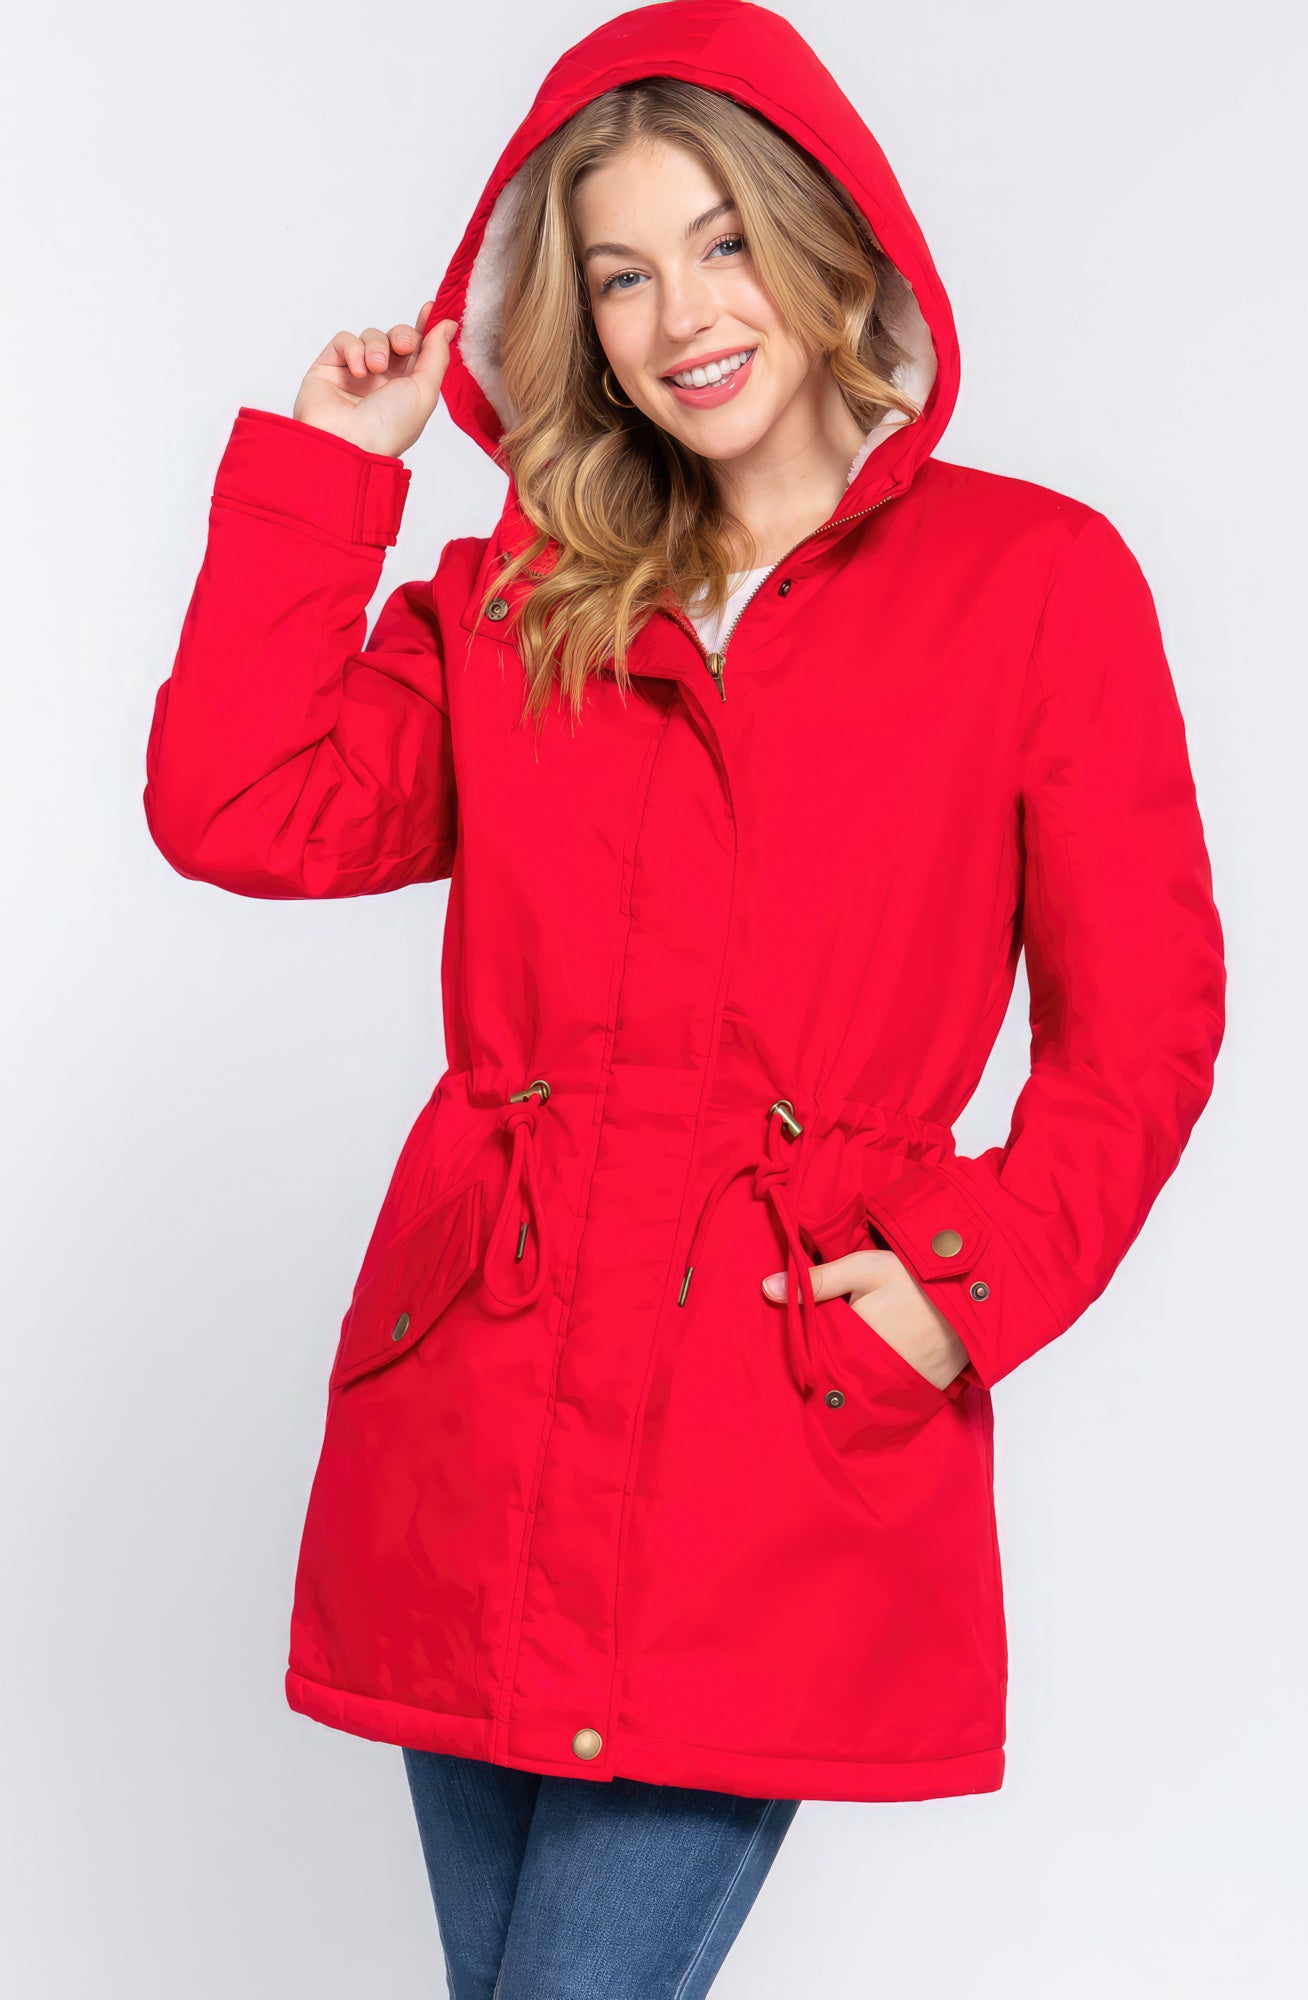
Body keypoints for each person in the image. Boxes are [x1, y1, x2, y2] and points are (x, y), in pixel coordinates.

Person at [142, 2, 1227, 1993]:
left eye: (721, 242)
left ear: (825, 242)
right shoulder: (522, 593)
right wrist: (323, 480)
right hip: (480, 1425)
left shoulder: (1035, 581)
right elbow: (239, 806)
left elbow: (1143, 1026)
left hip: (770, 1438)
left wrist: (965, 1279)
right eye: (620, 272)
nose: (679, 316)